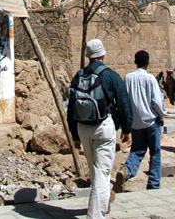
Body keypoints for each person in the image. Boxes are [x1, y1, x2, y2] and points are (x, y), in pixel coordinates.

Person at [67, 38, 132, 219]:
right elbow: (124, 102)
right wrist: (127, 129)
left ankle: (105, 200)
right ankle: (95, 215)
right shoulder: (110, 75)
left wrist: (74, 134)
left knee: (95, 169)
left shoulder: (78, 76)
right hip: (103, 127)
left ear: (87, 56)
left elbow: (71, 107)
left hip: (82, 128)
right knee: (102, 172)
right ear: (102, 54)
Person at [114, 50, 166, 192]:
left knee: (136, 150)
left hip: (135, 123)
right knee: (155, 152)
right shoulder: (150, 79)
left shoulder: (128, 78)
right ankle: (154, 184)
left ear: (135, 61)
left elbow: (125, 100)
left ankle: (127, 170)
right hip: (151, 121)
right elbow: (157, 101)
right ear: (147, 63)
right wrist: (162, 115)